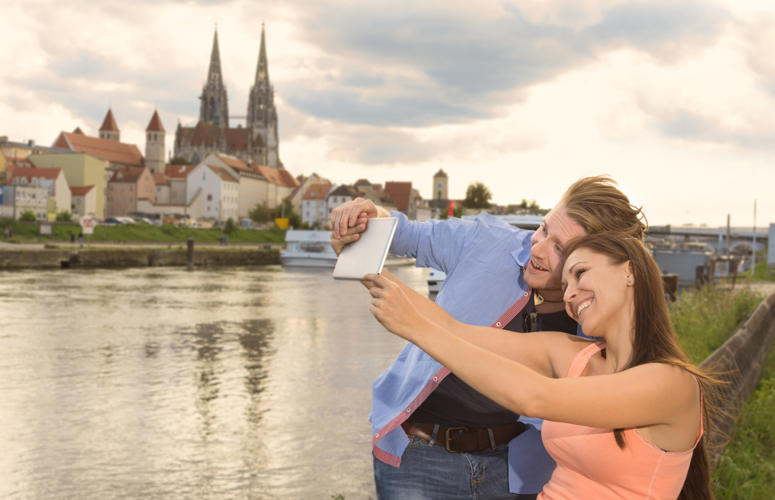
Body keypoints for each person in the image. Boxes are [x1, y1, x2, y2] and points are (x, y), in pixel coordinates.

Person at [330, 176, 647, 499]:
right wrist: (368, 219)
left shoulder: (599, 319)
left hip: (518, 470)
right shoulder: (486, 240)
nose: (535, 248)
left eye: (559, 249)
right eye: (543, 228)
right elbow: (407, 234)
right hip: (420, 455)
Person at [364, 232, 719, 500]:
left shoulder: (672, 383)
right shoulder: (573, 355)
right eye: (564, 286)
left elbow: (536, 398)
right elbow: (457, 331)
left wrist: (415, 328)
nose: (568, 294)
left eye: (580, 273)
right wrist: (365, 267)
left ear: (629, 271)